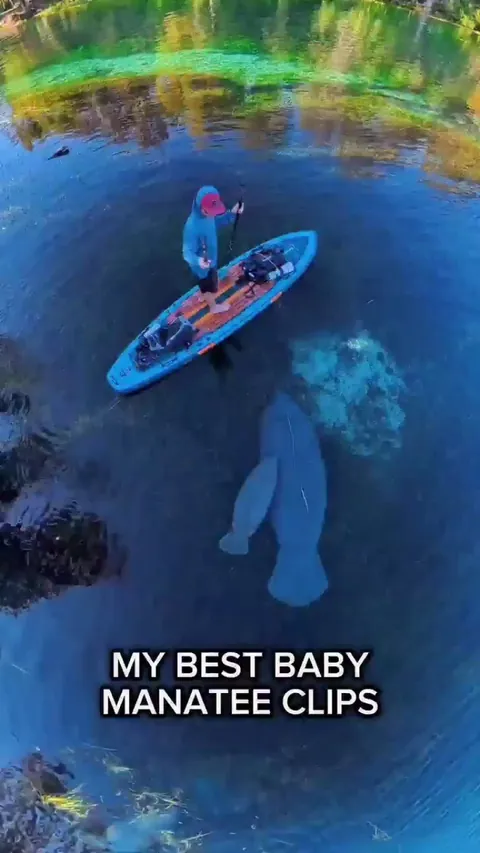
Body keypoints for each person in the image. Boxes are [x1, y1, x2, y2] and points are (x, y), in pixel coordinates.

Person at [182, 185, 244, 314]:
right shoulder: (192, 227)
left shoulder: (208, 216)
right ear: (200, 206)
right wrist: (199, 261)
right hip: (202, 266)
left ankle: (203, 294)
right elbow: (187, 253)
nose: (212, 213)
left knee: (206, 285)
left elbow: (217, 223)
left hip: (211, 260)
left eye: (213, 210)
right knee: (208, 286)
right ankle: (213, 307)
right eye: (209, 210)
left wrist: (232, 214)